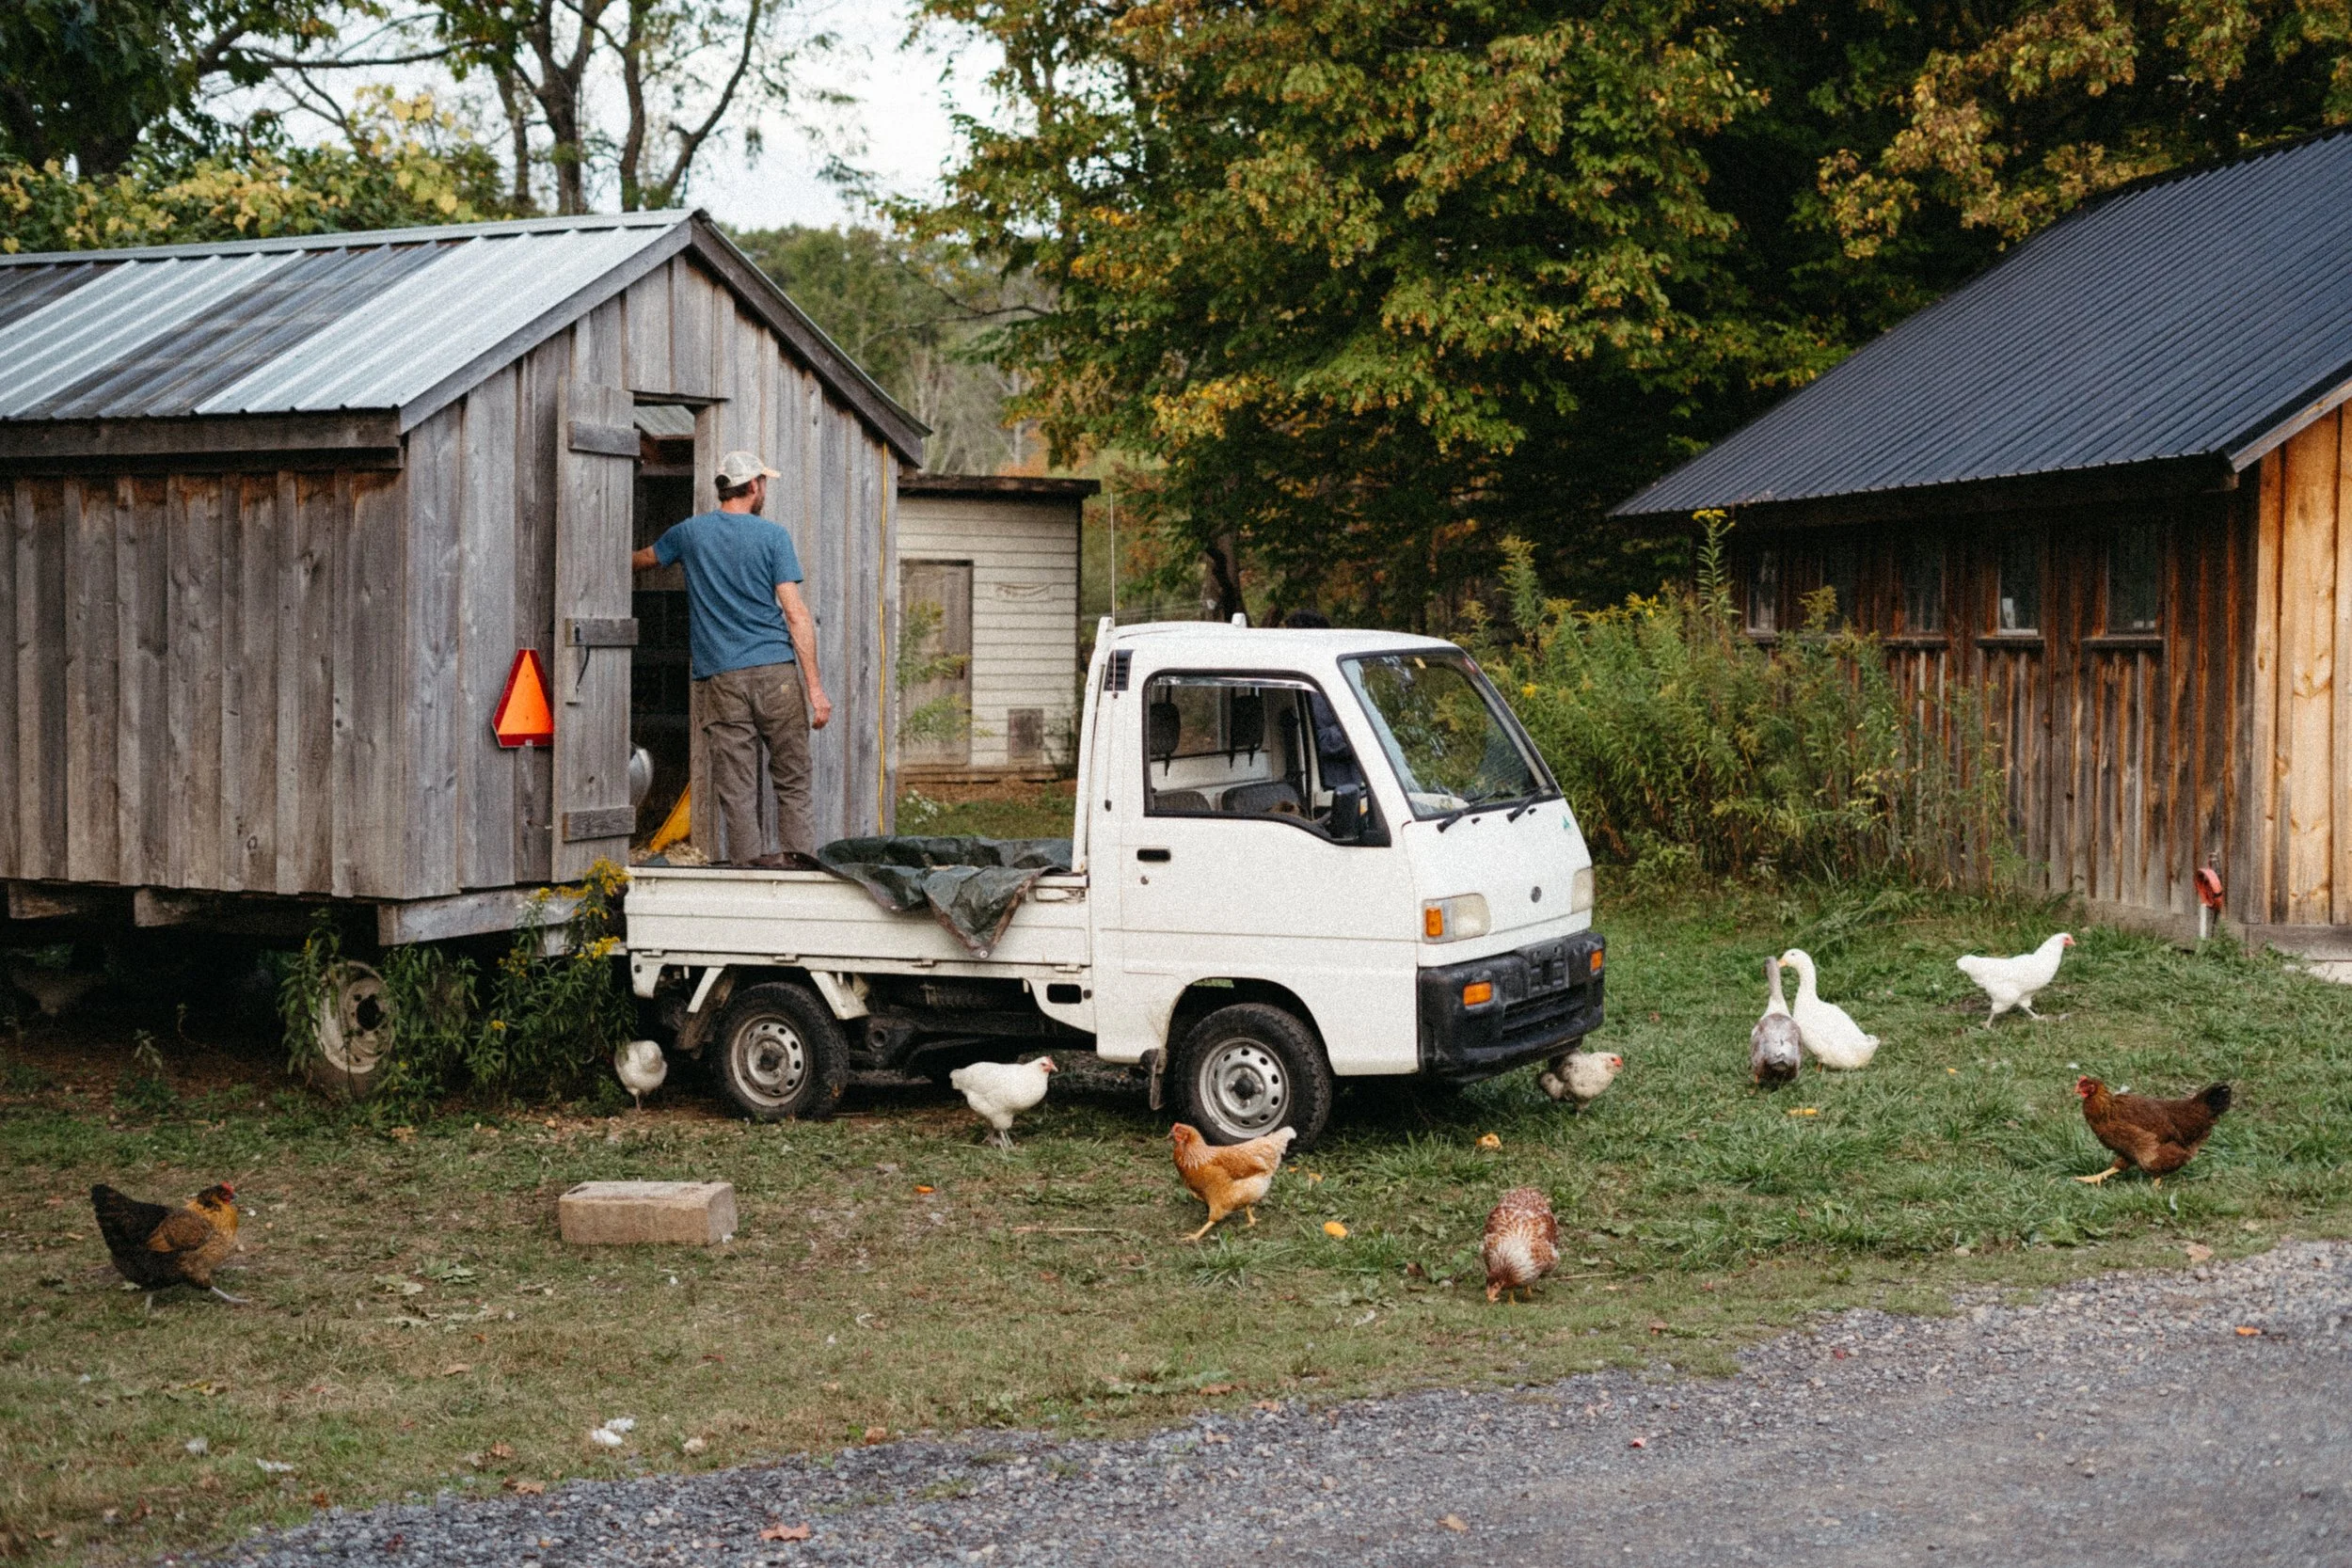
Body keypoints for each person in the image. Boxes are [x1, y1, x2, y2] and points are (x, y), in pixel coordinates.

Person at [631, 450, 832, 866]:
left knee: (737, 787)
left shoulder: (689, 534)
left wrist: (603, 560)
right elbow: (795, 615)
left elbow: (644, 560)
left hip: (722, 678)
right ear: (754, 486)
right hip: (776, 673)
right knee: (792, 780)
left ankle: (748, 878)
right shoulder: (773, 536)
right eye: (764, 484)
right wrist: (814, 688)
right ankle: (800, 873)